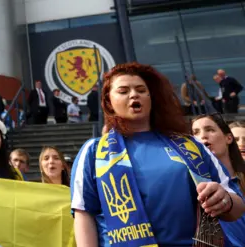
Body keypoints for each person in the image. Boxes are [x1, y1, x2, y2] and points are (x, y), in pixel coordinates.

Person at [71, 62, 245, 247]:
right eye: (123, 91)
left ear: (151, 97)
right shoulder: (94, 151)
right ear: (109, 101)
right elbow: (84, 215)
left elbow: (237, 205)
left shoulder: (192, 146)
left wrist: (225, 201)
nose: (134, 95)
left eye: (141, 89)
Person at [192, 114, 245, 246]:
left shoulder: (241, 181)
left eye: (210, 129)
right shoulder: (194, 188)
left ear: (228, 138)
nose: (202, 136)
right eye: (195, 133)